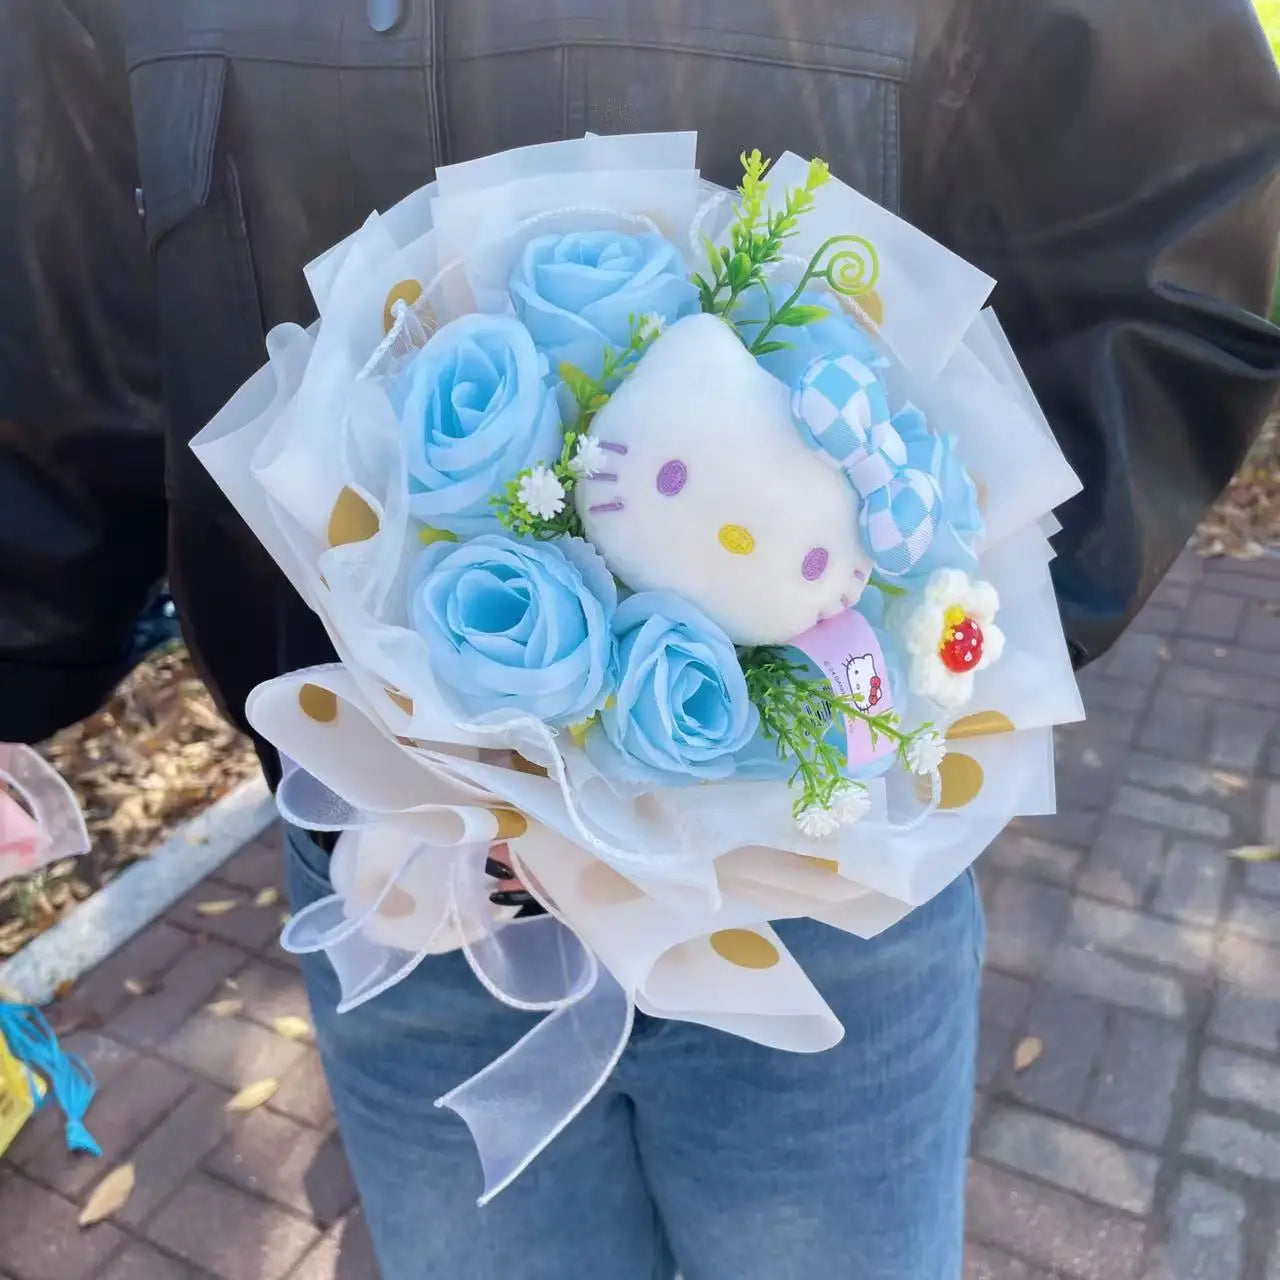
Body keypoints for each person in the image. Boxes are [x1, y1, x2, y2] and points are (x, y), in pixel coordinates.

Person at [3, 3, 1278, 1276]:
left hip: (813, 893)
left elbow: (1179, 221)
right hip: (409, 891)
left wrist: (949, 615)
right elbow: (60, 307)